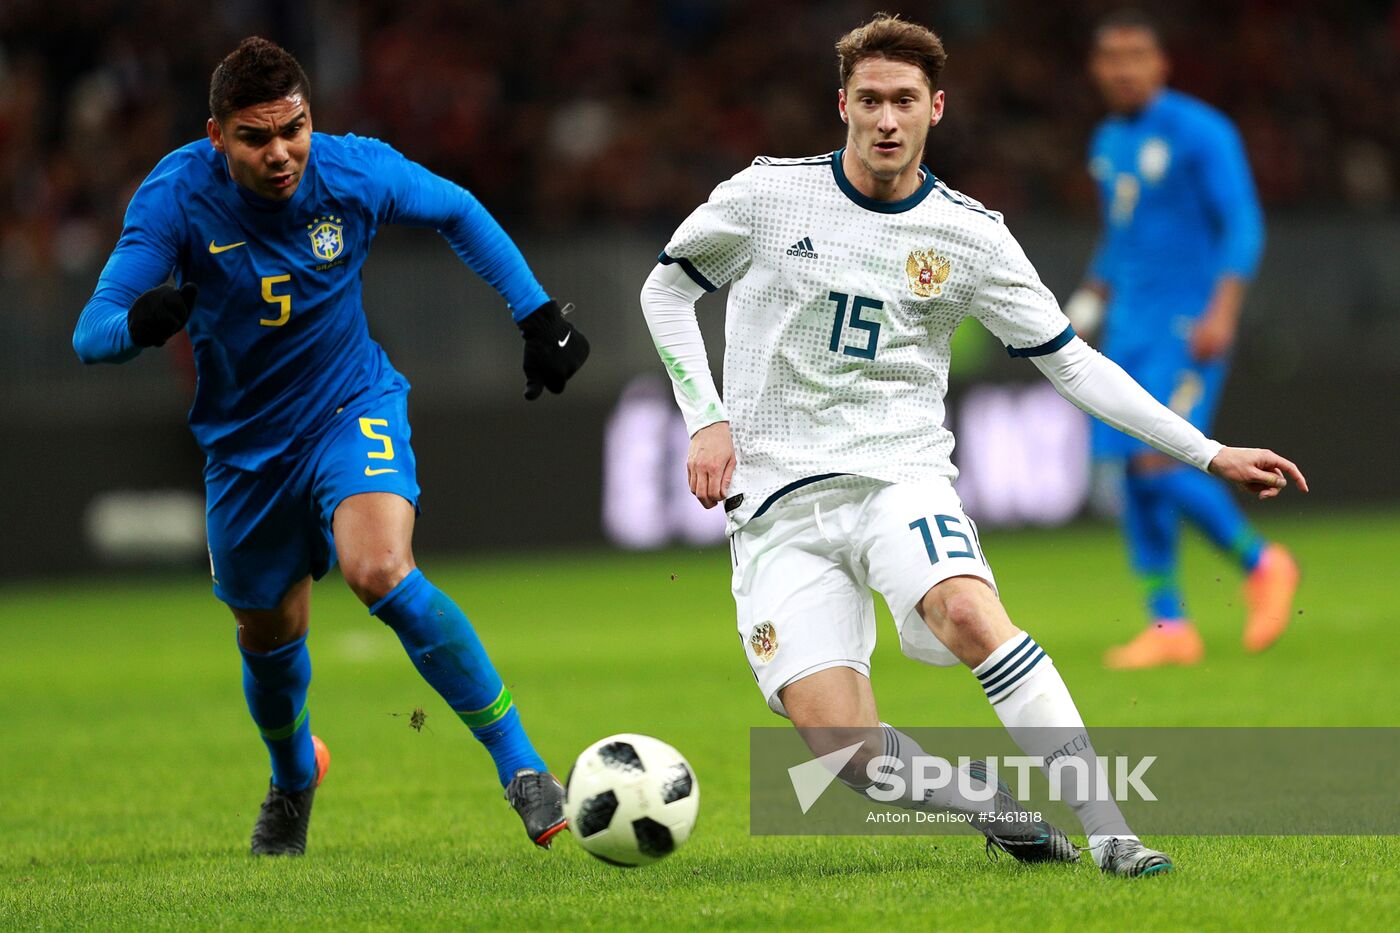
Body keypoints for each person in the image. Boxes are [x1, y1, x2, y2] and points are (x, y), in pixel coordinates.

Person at [639, 13, 1306, 877]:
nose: (886, 118)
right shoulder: (768, 197)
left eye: (904, 101)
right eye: (870, 99)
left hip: (899, 476)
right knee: (844, 748)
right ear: (841, 104)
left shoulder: (971, 235)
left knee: (968, 612)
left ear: (935, 109)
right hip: (773, 497)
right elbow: (666, 292)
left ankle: (1113, 833)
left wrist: (1207, 451)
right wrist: (706, 416)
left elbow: (1076, 366)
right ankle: (987, 804)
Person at [73, 37, 589, 856]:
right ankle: (292, 776)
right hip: (245, 453)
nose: (281, 153)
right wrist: (138, 324)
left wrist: (534, 311)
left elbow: (457, 208)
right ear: (217, 136)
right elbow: (90, 332)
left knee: (379, 568)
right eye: (255, 137)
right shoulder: (174, 199)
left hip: (352, 406)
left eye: (295, 128)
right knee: (268, 640)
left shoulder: (352, 171)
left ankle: (523, 767)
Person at [1064, 10, 1299, 670]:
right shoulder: (1108, 140)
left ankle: (1264, 562)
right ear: (1096, 69)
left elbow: (1243, 226)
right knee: (1130, 474)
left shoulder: (1201, 132)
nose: (1124, 67)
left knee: (1158, 459)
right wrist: (1085, 304)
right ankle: (1169, 625)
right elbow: (1121, 237)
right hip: (1126, 331)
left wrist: (1222, 312)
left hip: (1184, 326)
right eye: (1112, 56)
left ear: (1160, 64)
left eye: (1137, 54)